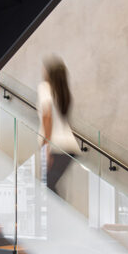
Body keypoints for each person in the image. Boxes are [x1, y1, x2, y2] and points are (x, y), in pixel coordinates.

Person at [37, 56, 79, 195]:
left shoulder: (45, 87)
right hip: (69, 147)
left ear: (49, 73)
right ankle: (59, 215)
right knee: (50, 187)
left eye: (45, 69)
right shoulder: (62, 91)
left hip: (55, 146)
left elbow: (47, 118)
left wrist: (45, 148)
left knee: (47, 188)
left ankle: (60, 216)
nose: (43, 71)